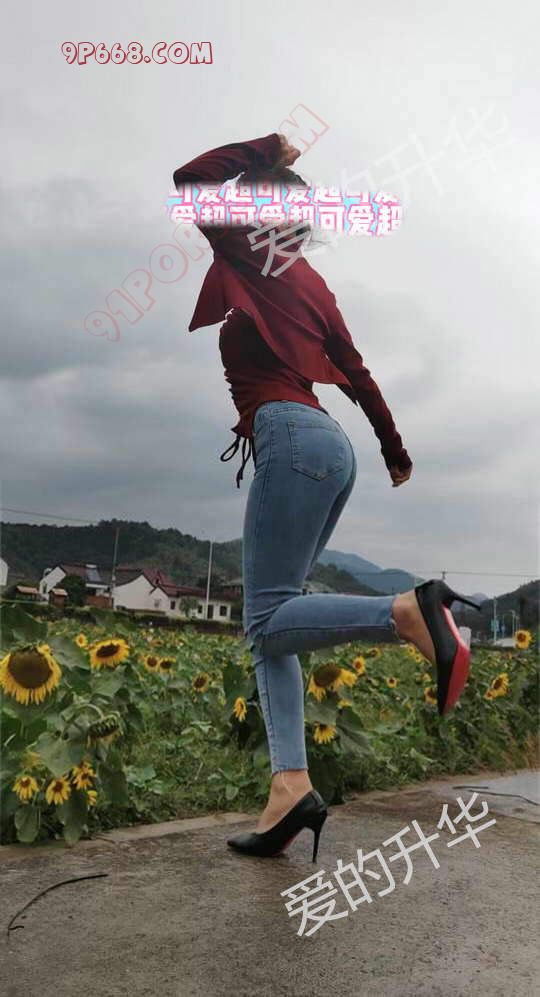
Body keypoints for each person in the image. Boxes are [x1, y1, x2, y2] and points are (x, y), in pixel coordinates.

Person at [173, 133, 481, 862]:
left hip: (290, 436)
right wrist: (394, 452)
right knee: (277, 623)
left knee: (264, 617)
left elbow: (189, 179)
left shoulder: (249, 249)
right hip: (330, 448)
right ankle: (290, 787)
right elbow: (358, 372)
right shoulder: (311, 284)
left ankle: (407, 611)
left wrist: (265, 146)